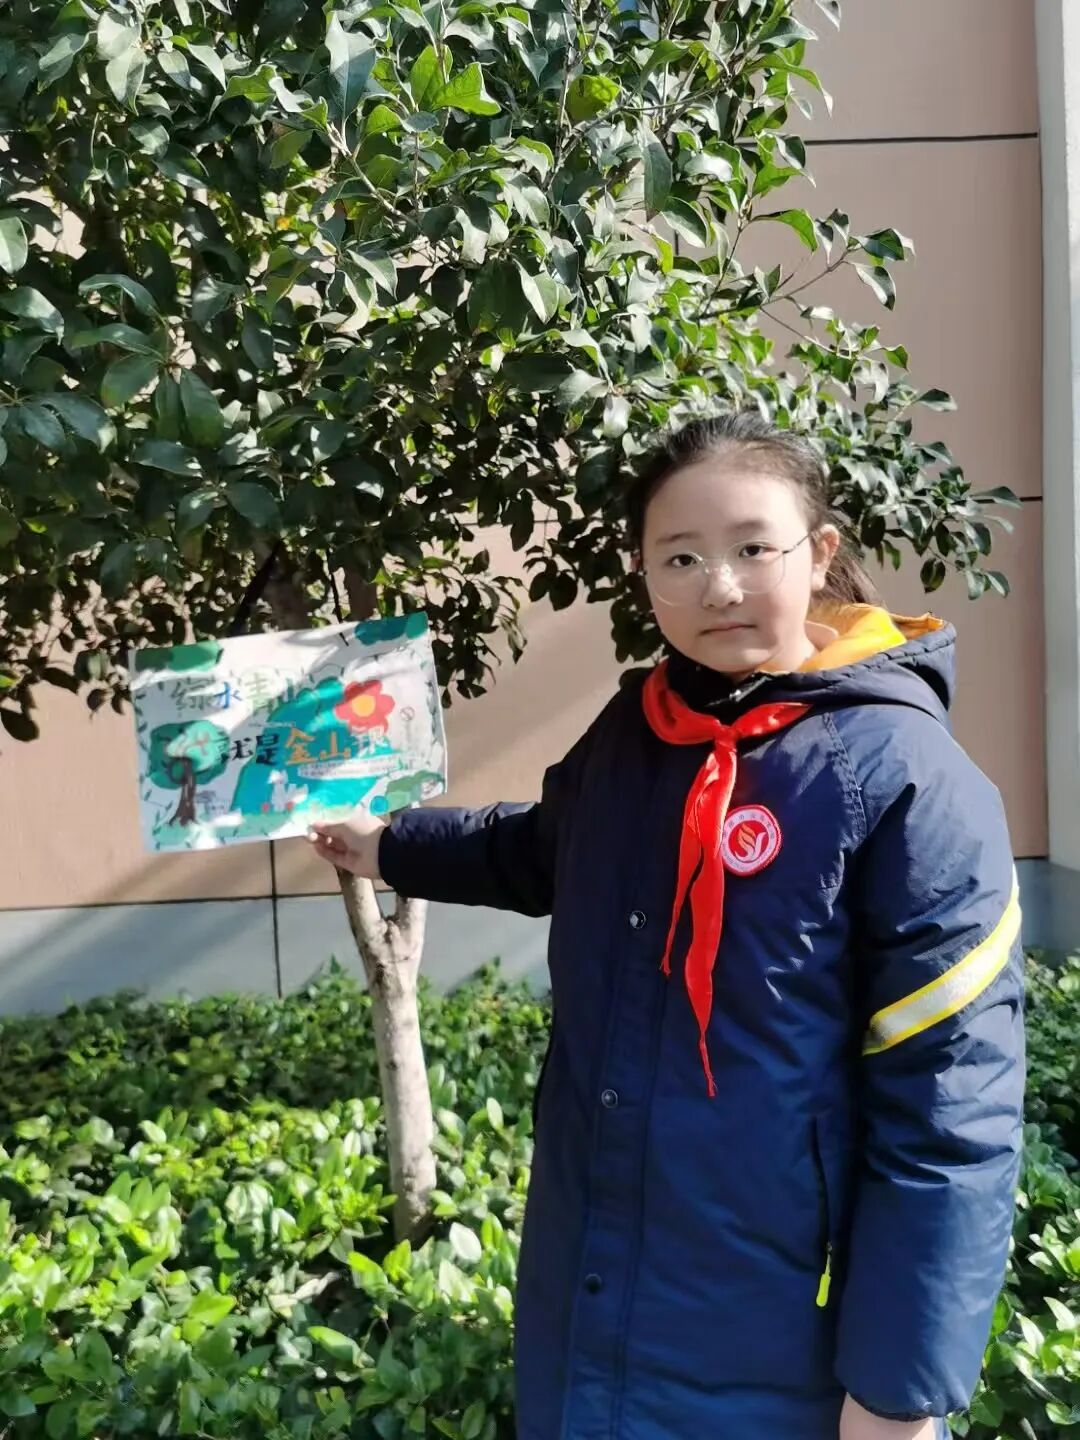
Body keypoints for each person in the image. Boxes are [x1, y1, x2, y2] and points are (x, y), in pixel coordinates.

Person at [310, 411, 1025, 1440]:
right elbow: (549, 847)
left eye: (752, 548)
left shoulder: (906, 776)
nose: (718, 587)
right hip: (593, 1296)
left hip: (784, 1335)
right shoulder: (639, 731)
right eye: (680, 558)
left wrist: (899, 1395)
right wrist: (386, 845)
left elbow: (953, 1108)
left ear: (820, 552)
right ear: (642, 573)